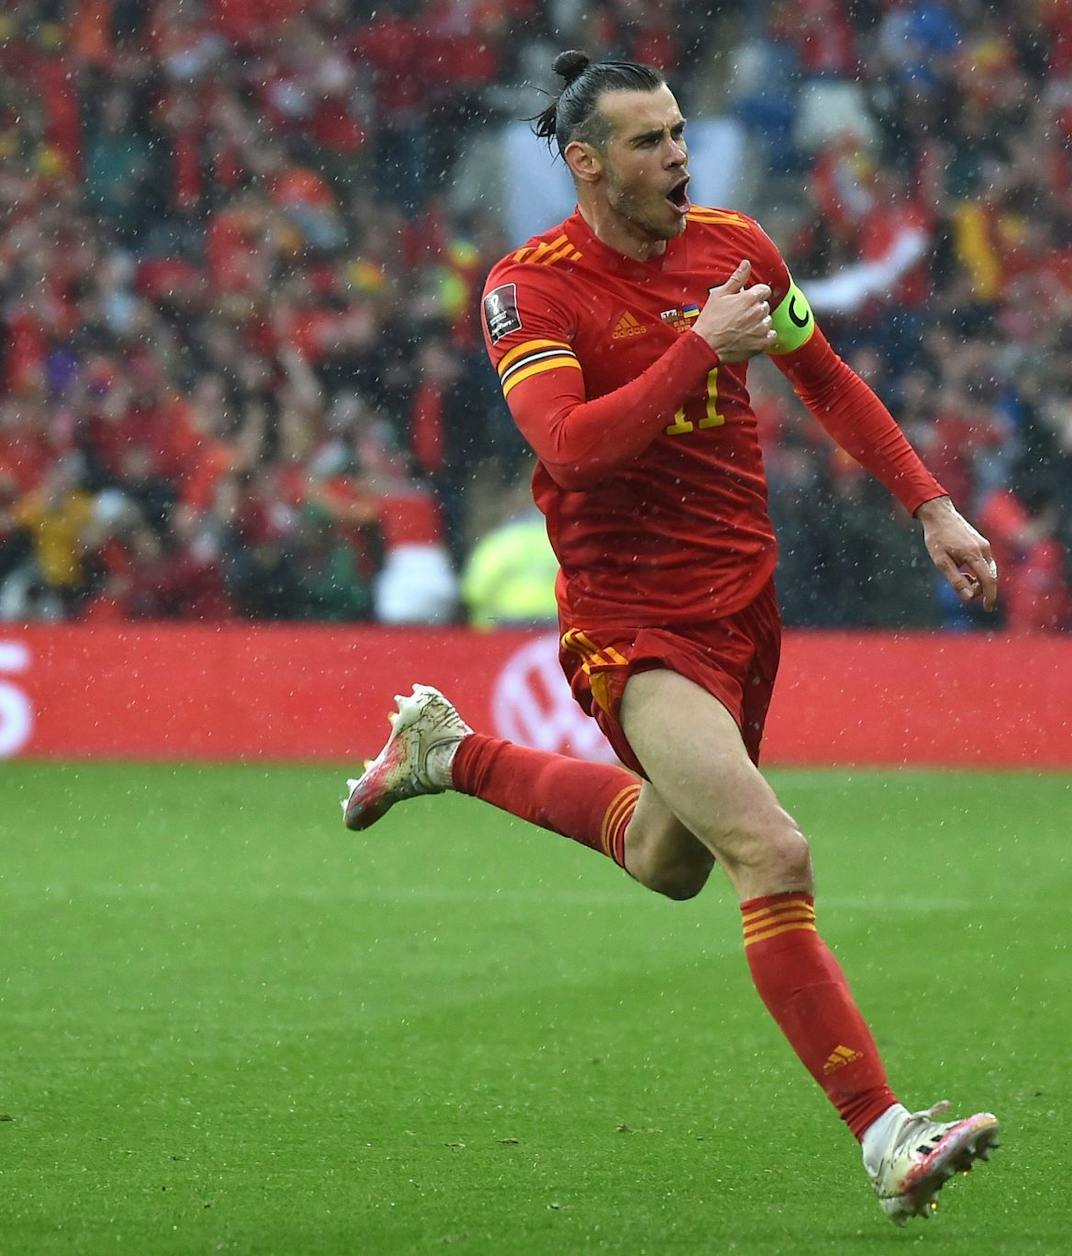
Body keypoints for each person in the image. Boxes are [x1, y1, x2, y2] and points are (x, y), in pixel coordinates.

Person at [341, 53, 1002, 1225]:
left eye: (680, 132)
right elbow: (569, 449)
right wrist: (697, 346)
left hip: (742, 606)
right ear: (586, 163)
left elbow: (825, 379)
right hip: (629, 619)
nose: (678, 158)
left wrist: (930, 504)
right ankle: (887, 1135)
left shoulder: (736, 249)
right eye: (648, 142)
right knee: (771, 853)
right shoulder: (529, 289)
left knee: (668, 857)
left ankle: (447, 752)